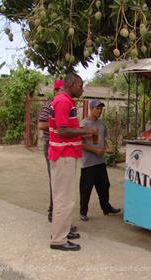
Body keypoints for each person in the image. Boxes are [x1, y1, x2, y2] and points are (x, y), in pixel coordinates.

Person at [48, 73, 97, 251]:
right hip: (63, 155)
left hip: (67, 154)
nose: (82, 89)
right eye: (80, 85)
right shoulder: (62, 102)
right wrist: (85, 131)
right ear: (71, 84)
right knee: (63, 199)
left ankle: (63, 230)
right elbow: (62, 131)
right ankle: (58, 240)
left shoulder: (65, 101)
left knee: (67, 197)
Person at [79, 99, 121, 221]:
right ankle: (83, 212)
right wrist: (94, 150)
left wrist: (107, 147)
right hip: (88, 163)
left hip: (100, 162)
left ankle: (106, 208)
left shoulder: (101, 123)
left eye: (101, 109)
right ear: (91, 109)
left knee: (104, 185)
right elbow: (79, 143)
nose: (99, 111)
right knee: (86, 188)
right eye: (97, 108)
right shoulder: (84, 124)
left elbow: (103, 138)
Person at [38, 79, 64, 223]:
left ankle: (56, 211)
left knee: (61, 181)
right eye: (61, 90)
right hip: (51, 145)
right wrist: (58, 125)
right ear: (56, 91)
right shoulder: (50, 105)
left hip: (62, 146)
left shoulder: (64, 104)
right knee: (55, 179)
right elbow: (41, 124)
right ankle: (52, 211)